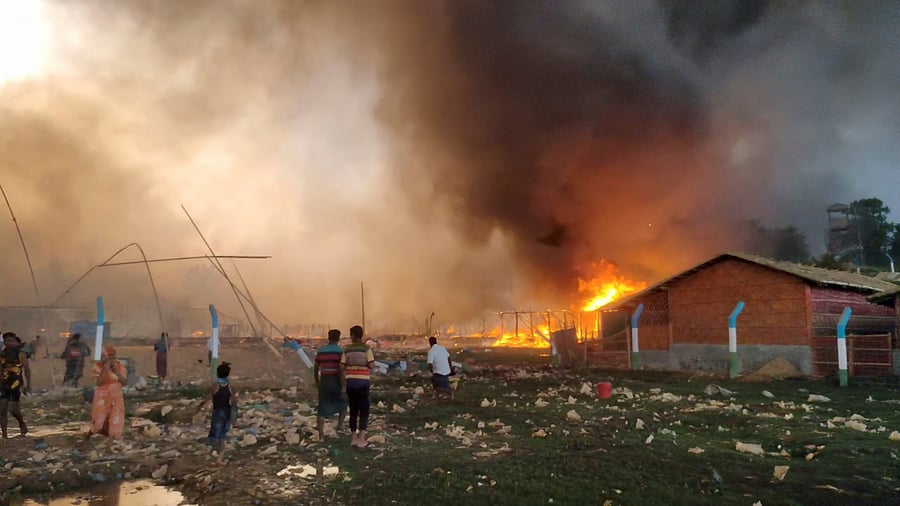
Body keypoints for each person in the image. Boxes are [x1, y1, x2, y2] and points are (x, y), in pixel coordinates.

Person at [340, 325, 375, 448]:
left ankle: (353, 438)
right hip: (363, 383)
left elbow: (341, 366)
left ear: (352, 336)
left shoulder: (347, 350)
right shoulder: (367, 349)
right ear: (362, 335)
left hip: (351, 383)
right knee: (364, 410)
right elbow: (371, 365)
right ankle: (362, 438)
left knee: (353, 410)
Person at [197, 362, 238, 465]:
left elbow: (206, 399)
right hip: (226, 413)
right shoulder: (231, 387)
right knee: (221, 436)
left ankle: (218, 457)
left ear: (217, 373)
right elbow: (234, 402)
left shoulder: (215, 386)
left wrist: (198, 408)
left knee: (215, 436)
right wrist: (234, 417)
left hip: (218, 413)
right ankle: (219, 456)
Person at [85, 345, 126, 441]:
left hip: (116, 396)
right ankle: (94, 433)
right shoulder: (98, 366)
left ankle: (112, 436)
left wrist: (115, 370)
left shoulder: (119, 365)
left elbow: (124, 381)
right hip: (102, 396)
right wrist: (106, 368)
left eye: (113, 355)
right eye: (109, 355)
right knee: (100, 417)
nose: (111, 358)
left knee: (115, 416)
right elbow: (99, 382)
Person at [315, 329, 347, 440]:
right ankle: (339, 427)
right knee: (343, 404)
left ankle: (321, 435)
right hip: (336, 380)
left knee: (322, 407)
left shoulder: (321, 351)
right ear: (338, 338)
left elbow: (316, 368)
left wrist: (317, 382)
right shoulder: (340, 352)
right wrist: (343, 385)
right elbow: (341, 370)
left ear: (329, 337)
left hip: (324, 380)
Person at [0, 332, 30, 438]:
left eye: (13, 341)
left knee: (13, 409)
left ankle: (21, 423)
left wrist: (28, 385)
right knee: (2, 409)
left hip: (16, 384)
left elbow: (26, 370)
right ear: (5, 342)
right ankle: (4, 435)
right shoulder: (2, 354)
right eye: (9, 341)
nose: (11, 343)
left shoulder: (20, 354)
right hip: (3, 385)